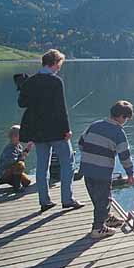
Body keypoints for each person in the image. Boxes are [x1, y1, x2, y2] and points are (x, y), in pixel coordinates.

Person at [18, 49, 83, 212]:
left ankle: (44, 201)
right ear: (53, 63)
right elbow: (61, 109)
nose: (59, 68)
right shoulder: (56, 82)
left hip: (38, 132)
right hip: (56, 131)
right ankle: (67, 199)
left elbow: (22, 103)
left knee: (42, 166)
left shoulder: (30, 82)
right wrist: (67, 130)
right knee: (68, 163)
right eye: (59, 64)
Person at [78, 100, 134, 239]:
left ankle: (107, 217)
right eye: (126, 118)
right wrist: (130, 174)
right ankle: (98, 228)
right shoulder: (118, 132)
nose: (125, 121)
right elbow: (124, 156)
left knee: (96, 197)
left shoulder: (94, 125)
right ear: (121, 117)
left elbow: (81, 143)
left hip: (86, 168)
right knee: (104, 199)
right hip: (102, 171)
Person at [0, 125, 33, 191]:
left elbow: (21, 158)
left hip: (13, 171)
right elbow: (14, 163)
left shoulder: (18, 146)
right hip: (6, 172)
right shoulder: (10, 149)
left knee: (27, 182)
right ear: (14, 136)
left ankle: (4, 181)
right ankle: (16, 186)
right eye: (20, 135)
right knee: (20, 165)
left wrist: (27, 149)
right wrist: (23, 154)